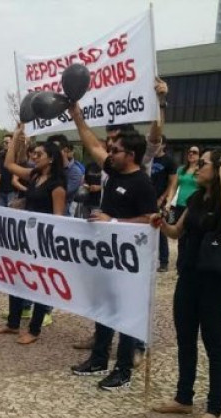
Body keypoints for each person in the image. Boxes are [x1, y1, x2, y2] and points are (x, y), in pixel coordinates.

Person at [150, 148, 221, 418]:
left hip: (216, 282)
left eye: (203, 163)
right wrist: (160, 224)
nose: (197, 167)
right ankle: (183, 397)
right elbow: (176, 232)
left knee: (214, 344)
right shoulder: (195, 198)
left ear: (218, 168)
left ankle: (214, 408)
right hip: (189, 276)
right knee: (185, 339)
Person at [67, 104, 158, 391]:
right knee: (103, 308)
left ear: (130, 155)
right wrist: (77, 116)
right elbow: (92, 144)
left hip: (129, 261)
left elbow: (150, 218)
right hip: (105, 256)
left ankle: (123, 370)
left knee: (125, 313)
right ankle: (98, 359)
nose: (110, 152)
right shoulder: (113, 170)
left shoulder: (142, 183)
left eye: (116, 150)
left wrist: (114, 221)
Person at [0, 130, 65, 344]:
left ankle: (34, 329)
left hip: (42, 241)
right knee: (16, 277)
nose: (34, 156)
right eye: (34, 153)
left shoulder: (57, 186)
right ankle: (13, 323)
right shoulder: (34, 176)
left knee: (40, 283)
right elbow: (9, 165)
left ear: (51, 159)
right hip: (24, 237)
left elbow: (58, 218)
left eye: (39, 154)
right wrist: (16, 138)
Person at [149, 136, 179, 272]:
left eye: (158, 143)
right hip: (146, 199)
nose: (155, 145)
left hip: (160, 200)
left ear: (163, 145)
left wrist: (163, 198)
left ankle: (164, 261)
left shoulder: (169, 161)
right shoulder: (147, 159)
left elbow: (172, 183)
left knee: (161, 230)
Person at [45, 134, 83, 216]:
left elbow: (62, 193)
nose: (53, 153)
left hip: (62, 216)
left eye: (56, 149)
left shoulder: (75, 172)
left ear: (65, 150)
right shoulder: (46, 168)